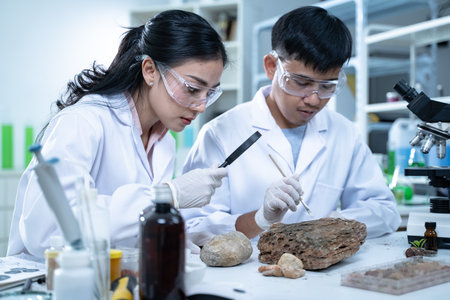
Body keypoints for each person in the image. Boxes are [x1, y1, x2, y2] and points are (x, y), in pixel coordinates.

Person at [8, 10, 229, 258]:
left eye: (209, 93)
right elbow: (49, 231)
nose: (201, 106)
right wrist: (165, 196)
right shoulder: (83, 123)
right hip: (48, 282)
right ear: (150, 70)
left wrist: (169, 237)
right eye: (192, 88)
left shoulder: (163, 142)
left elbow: (126, 231)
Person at [181, 6, 401, 240]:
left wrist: (339, 222)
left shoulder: (344, 133)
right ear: (271, 66)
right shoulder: (221, 133)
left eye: (327, 86)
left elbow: (385, 212)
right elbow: (192, 226)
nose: (314, 99)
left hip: (321, 272)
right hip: (245, 274)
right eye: (301, 82)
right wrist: (260, 219)